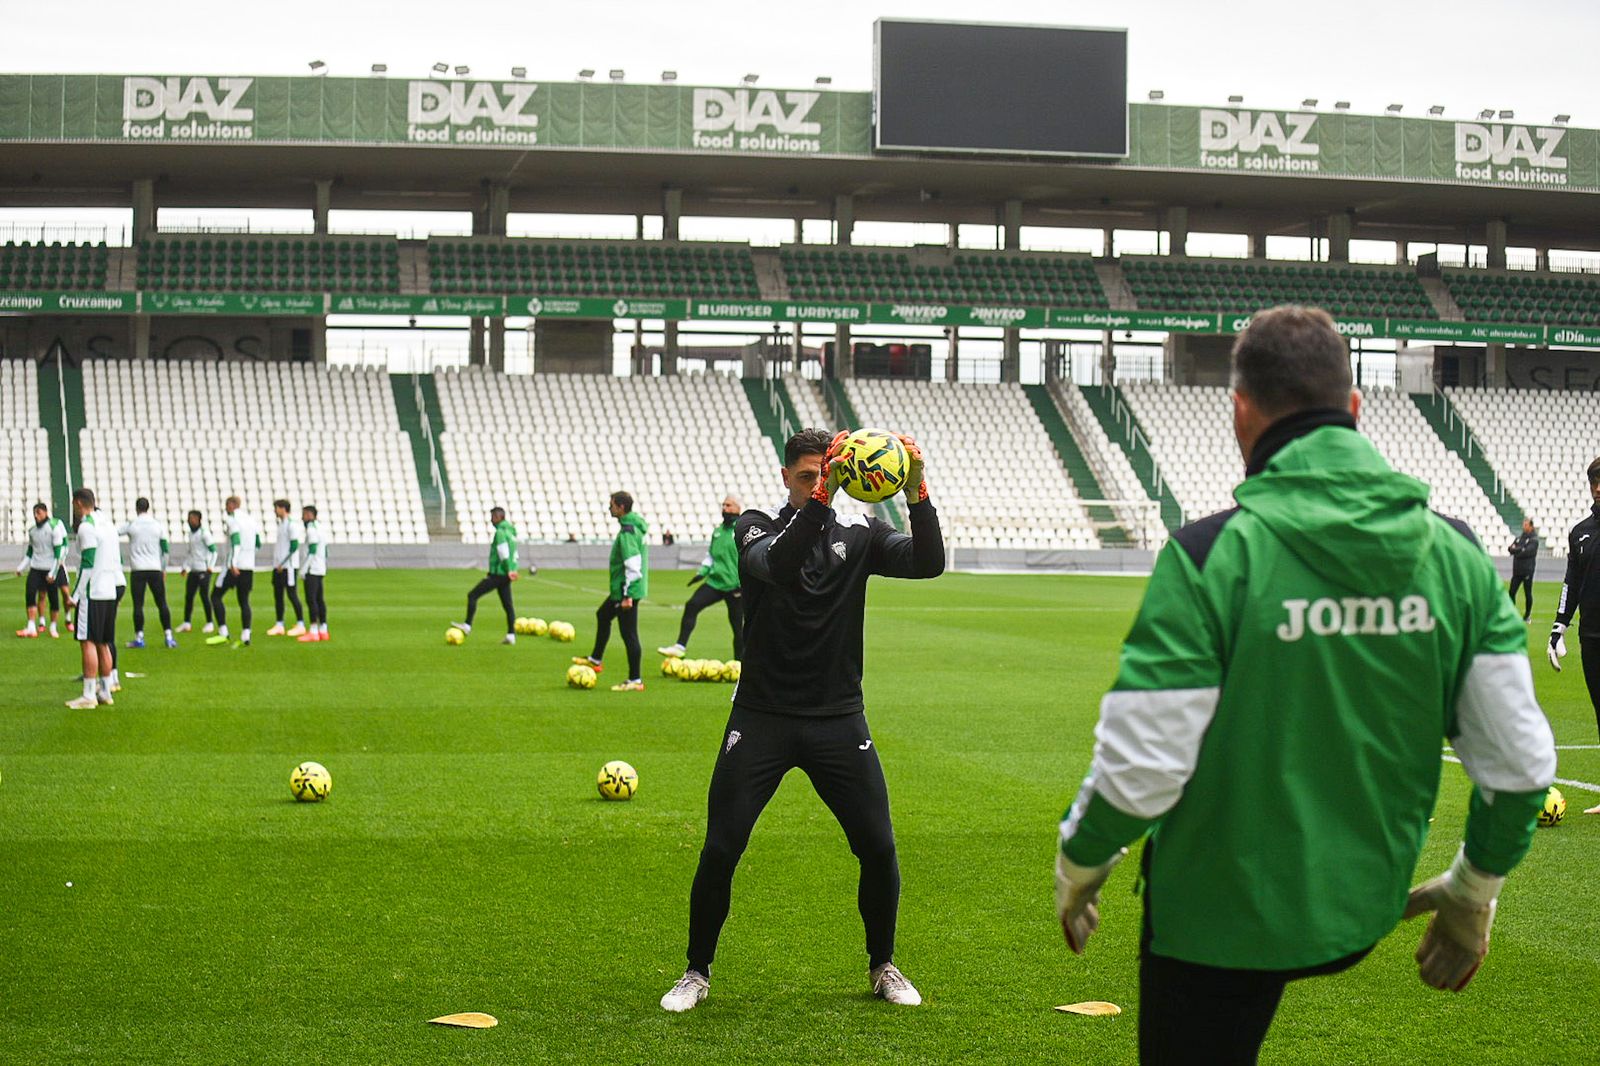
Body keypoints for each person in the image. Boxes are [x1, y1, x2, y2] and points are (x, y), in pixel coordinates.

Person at [1051, 306, 1558, 1065]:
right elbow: (1518, 767)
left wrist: (1080, 867)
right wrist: (1472, 888)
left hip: (1216, 924)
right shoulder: (1454, 554)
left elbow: (1139, 770)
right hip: (1363, 908)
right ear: (1354, 409)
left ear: (1240, 411)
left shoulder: (1209, 555)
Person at [659, 428, 943, 1013]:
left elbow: (928, 563)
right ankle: (696, 971)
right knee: (721, 847)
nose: (823, 485)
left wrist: (917, 492)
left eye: (828, 475)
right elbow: (781, 567)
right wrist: (821, 503)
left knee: (879, 847)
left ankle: (883, 965)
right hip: (761, 716)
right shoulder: (756, 526)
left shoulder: (861, 535)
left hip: (838, 718)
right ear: (787, 477)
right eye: (810, 477)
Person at [1548, 456, 1600, 814]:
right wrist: (1558, 626)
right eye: (1594, 481)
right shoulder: (1580, 532)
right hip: (1591, 637)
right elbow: (1571, 583)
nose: (1598, 487)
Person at [574, 491, 649, 692]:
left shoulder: (627, 532)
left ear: (621, 507)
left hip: (627, 591)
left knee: (629, 634)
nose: (609, 509)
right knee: (603, 615)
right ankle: (595, 659)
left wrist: (627, 596)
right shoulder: (634, 526)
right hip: (624, 590)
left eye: (612, 505)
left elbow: (632, 565)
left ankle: (635, 680)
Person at [657, 495, 743, 661]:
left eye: (729, 505)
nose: (725, 508)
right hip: (715, 582)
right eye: (723, 505)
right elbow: (711, 555)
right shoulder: (717, 532)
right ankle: (680, 647)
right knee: (692, 605)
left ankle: (739, 664)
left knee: (738, 627)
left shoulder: (741, 530)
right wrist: (701, 572)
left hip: (735, 586)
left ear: (738, 509)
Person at [66, 488, 122, 708]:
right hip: (110, 589)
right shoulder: (107, 524)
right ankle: (106, 691)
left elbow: (87, 564)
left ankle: (89, 695)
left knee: (87, 641)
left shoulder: (87, 527)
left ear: (78, 503)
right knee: (104, 643)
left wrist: (75, 595)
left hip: (93, 592)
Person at [453, 506, 520, 644]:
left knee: (472, 595)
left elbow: (503, 553)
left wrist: (508, 570)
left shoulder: (500, 532)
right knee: (508, 605)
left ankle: (467, 626)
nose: (491, 520)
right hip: (506, 575)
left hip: (498, 574)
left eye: (492, 517)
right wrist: (513, 570)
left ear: (498, 517)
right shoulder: (511, 532)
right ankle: (511, 635)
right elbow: (515, 554)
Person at [119, 497, 175, 650]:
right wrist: (163, 569)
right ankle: (169, 636)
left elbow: (115, 533)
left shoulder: (132, 525)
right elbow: (165, 550)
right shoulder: (157, 525)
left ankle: (139, 637)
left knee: (138, 605)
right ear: (148, 507)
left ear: (137, 508)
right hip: (155, 568)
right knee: (162, 603)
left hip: (138, 569)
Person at [207, 496, 260, 648]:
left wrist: (233, 563)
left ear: (232, 505)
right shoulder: (251, 520)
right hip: (248, 566)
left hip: (233, 566)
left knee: (215, 596)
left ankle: (223, 632)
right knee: (244, 600)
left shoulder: (232, 520)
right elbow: (258, 543)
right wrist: (248, 559)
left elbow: (236, 542)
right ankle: (246, 634)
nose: (225, 508)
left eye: (226, 505)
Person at [13, 501, 67, 638]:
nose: (36, 516)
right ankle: (31, 626)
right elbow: (30, 553)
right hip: (36, 568)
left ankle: (53, 626)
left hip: (50, 569)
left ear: (45, 513)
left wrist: (53, 572)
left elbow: (58, 554)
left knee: (53, 598)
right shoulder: (32, 531)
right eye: (34, 513)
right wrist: (21, 567)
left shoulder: (54, 529)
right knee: (30, 594)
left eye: (39, 513)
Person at [267, 499, 306, 637]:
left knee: (292, 594)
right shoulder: (281, 524)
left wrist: (282, 563)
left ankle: (300, 623)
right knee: (278, 595)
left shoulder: (291, 525)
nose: (275, 511)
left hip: (288, 567)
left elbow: (294, 546)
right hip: (278, 566)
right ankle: (279, 624)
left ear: (283, 508)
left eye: (276, 508)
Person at [176, 510, 217, 634]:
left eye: (193, 518)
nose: (190, 521)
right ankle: (187, 623)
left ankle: (210, 623)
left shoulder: (204, 534)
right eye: (189, 518)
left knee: (204, 596)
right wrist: (185, 567)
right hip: (193, 570)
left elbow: (213, 551)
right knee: (189, 596)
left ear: (199, 519)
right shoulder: (190, 534)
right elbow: (191, 553)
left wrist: (210, 566)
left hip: (204, 570)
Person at [296, 504, 329, 642]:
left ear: (310, 515)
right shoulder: (321, 528)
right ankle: (323, 630)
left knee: (311, 600)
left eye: (304, 515)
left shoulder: (311, 529)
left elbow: (312, 550)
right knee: (320, 599)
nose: (302, 518)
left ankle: (313, 630)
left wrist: (304, 569)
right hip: (320, 567)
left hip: (312, 568)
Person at [1508, 518, 1538, 622]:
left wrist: (1517, 550)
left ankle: (1527, 615)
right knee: (1511, 592)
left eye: (1526, 525)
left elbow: (1527, 552)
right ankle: (1511, 614)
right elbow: (1510, 549)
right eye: (1523, 524)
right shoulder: (1520, 538)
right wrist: (1518, 549)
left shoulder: (1534, 539)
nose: (1523, 527)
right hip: (1517, 571)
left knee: (1527, 593)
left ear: (1531, 526)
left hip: (1527, 571)